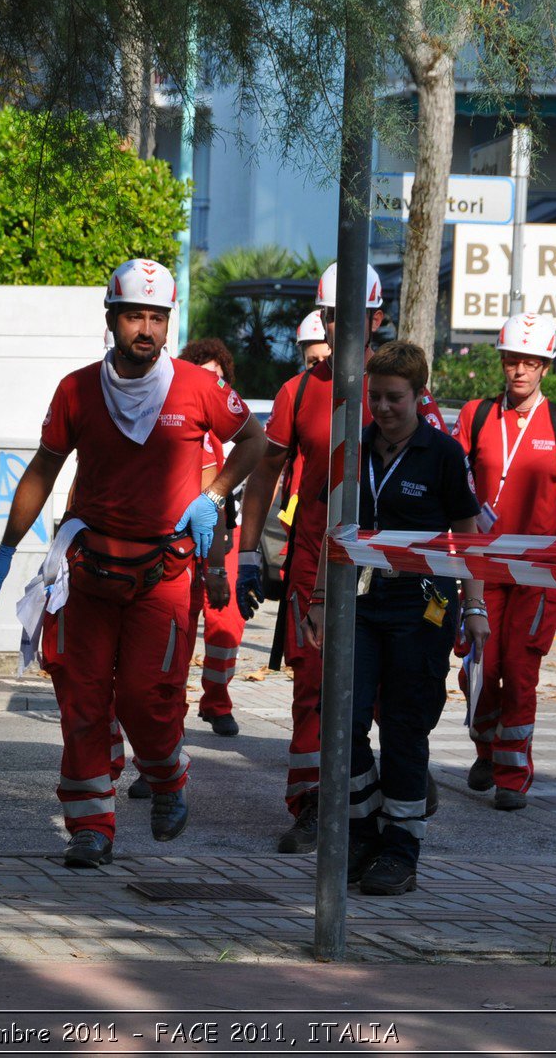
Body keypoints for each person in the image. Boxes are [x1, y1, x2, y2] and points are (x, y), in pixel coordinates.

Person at [0, 258, 266, 869]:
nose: (146, 328)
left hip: (163, 576)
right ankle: (90, 827)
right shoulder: (78, 389)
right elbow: (44, 467)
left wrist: (212, 498)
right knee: (83, 702)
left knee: (146, 698)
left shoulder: (198, 386)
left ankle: (168, 780)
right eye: (134, 315)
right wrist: (7, 545)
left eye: (157, 317)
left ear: (169, 323)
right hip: (87, 574)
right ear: (111, 319)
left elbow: (256, 439)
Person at [235, 264, 445, 855]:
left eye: (357, 316)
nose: (343, 327)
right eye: (332, 317)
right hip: (314, 563)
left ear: (378, 318)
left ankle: (390, 785)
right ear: (322, 319)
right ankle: (311, 805)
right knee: (315, 690)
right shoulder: (299, 391)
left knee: (393, 694)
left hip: (392, 567)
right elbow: (264, 471)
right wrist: (249, 553)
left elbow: (440, 481)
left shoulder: (402, 391)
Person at [302, 342, 487, 894]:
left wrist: (474, 605)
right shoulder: (351, 450)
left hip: (422, 606)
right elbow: (332, 532)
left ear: (419, 395)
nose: (383, 408)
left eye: (395, 398)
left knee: (405, 726)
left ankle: (401, 847)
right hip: (358, 603)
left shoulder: (444, 454)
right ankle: (361, 831)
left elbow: (469, 537)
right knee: (346, 718)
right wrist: (316, 598)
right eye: (375, 397)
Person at [452, 312, 556, 810]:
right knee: (478, 668)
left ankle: (512, 774)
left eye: (529, 362)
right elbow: (456, 492)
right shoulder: (476, 416)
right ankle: (487, 745)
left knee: (519, 671)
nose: (518, 370)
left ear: (546, 366)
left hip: (542, 573)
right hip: (482, 569)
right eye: (511, 360)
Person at [177, 338, 246, 739]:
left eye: (218, 378)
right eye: (204, 376)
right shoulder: (182, 418)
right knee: (179, 629)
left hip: (223, 534)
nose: (211, 384)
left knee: (227, 624)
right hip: (183, 542)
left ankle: (217, 701)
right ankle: (172, 712)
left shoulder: (232, 421)